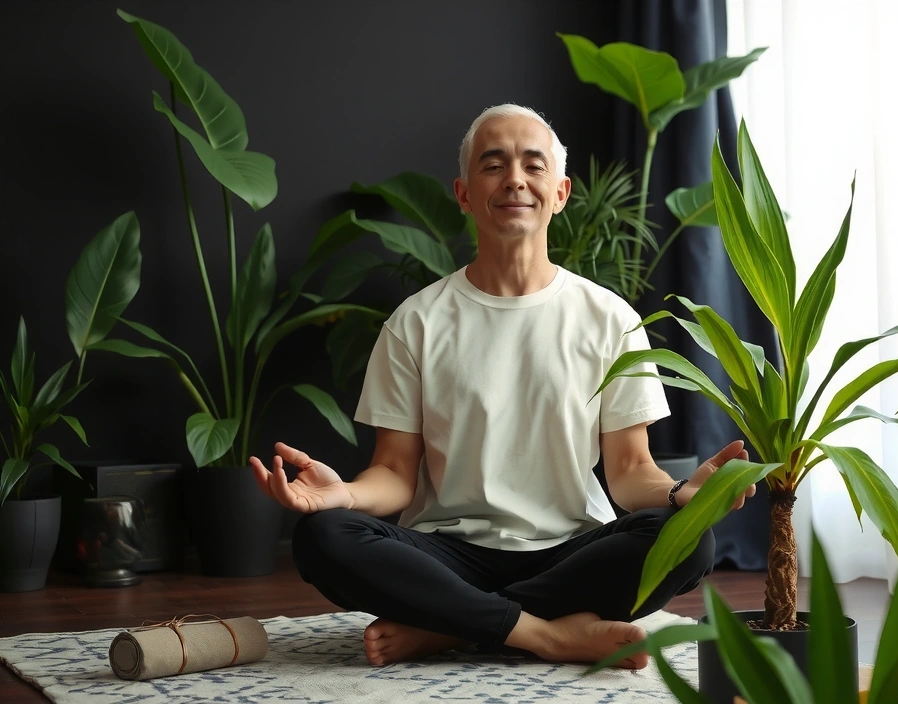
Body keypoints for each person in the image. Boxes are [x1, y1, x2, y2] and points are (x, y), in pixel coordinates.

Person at [249, 104, 755, 671]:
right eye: (494, 165)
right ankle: (547, 634)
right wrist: (340, 495)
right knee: (323, 537)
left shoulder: (610, 319)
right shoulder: (417, 322)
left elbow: (630, 471)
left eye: (532, 165)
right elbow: (393, 474)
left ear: (560, 193)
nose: (514, 178)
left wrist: (681, 497)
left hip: (571, 549)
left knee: (689, 538)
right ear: (464, 194)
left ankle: (447, 628)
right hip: (448, 552)